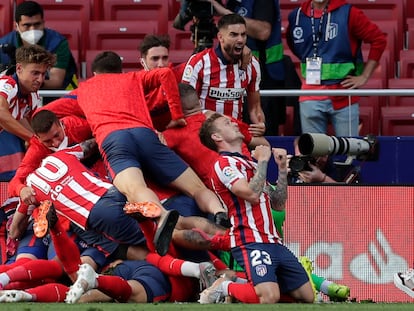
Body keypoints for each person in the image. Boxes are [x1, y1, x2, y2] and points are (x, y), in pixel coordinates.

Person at [198, 113, 314, 304]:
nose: (234, 123)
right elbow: (250, 194)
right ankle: (224, 286)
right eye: (227, 123)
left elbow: (278, 203)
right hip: (249, 240)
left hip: (274, 240)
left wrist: (282, 170)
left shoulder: (249, 163)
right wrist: (263, 161)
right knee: (269, 297)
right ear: (217, 137)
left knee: (307, 296)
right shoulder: (224, 164)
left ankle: (241, 284)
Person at [286, 0, 387, 136]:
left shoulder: (350, 13)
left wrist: (364, 76)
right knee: (315, 153)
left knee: (349, 150)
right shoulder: (296, 16)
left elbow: (379, 40)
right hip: (309, 94)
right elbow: (295, 45)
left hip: (344, 94)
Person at [206, 0, 290, 136]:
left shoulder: (262, 3)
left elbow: (263, 31)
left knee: (262, 130)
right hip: (237, 73)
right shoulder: (233, 2)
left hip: (266, 73)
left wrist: (224, 12)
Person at [162, 83, 269, 187]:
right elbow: (264, 144)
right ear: (199, 102)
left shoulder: (172, 134)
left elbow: (149, 153)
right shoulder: (225, 120)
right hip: (255, 180)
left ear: (173, 108)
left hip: (226, 191)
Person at [181, 13, 265, 127]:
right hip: (204, 132)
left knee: (263, 143)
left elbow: (255, 107)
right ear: (220, 37)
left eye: (243, 34)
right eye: (234, 35)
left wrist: (260, 124)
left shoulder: (252, 64)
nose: (240, 40)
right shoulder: (199, 62)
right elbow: (186, 107)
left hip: (235, 133)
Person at [0, 45, 55, 181]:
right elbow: (1, 113)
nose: (40, 79)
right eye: (35, 73)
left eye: (43, 74)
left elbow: (28, 125)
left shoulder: (33, 96)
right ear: (19, 69)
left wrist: (42, 141)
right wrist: (32, 139)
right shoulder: (7, 84)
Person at [0, 1, 78, 93]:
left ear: (43, 23)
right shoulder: (3, 45)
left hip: (53, 96)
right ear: (16, 26)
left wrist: (26, 82)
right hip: (12, 94)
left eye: (37, 24)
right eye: (27, 25)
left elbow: (56, 82)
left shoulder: (58, 43)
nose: (32, 29)